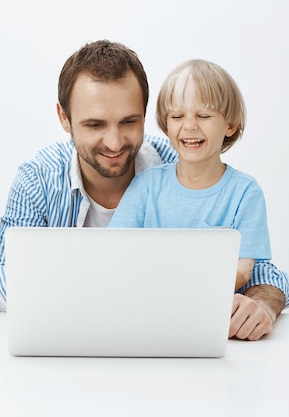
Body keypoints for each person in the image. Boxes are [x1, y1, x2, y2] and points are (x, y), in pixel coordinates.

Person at [0, 40, 289, 341]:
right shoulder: (39, 178)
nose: (115, 142)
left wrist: (264, 304)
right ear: (64, 117)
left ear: (147, 116)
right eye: (95, 125)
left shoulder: (182, 163)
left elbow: (264, 273)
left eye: (129, 122)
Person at [109, 59, 269, 292]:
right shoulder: (146, 186)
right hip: (147, 305)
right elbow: (114, 252)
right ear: (166, 125)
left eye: (204, 116)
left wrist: (183, 288)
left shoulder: (245, 193)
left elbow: (242, 270)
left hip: (212, 312)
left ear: (230, 125)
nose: (190, 126)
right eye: (177, 117)